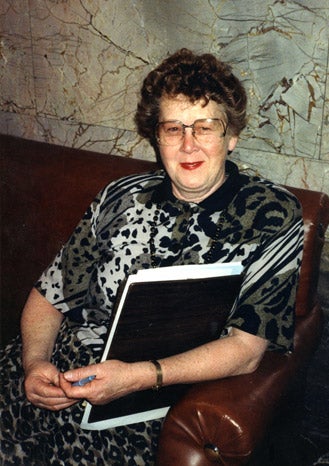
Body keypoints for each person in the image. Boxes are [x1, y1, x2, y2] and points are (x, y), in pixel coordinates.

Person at [0, 48, 303, 465]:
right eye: (173, 128)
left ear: (231, 136)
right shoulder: (120, 197)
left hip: (139, 408)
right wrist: (34, 364)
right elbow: (50, 294)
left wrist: (140, 377)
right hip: (53, 379)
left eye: (206, 126)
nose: (188, 143)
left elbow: (247, 348)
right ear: (156, 137)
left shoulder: (269, 213)